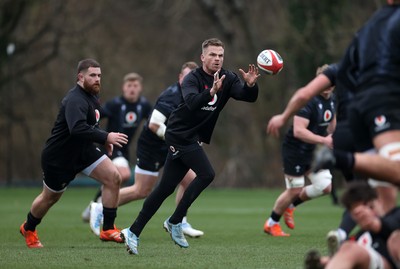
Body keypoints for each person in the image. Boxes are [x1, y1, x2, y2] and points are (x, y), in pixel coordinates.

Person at [119, 37, 260, 255]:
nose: (217, 59)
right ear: (202, 57)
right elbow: (193, 102)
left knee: (165, 188)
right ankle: (175, 221)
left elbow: (246, 97)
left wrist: (251, 85)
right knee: (206, 174)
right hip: (178, 135)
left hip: (192, 138)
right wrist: (211, 92)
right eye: (212, 54)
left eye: (220, 55)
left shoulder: (228, 77)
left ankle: (133, 231)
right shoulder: (192, 79)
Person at [19, 59, 128, 248]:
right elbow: (76, 128)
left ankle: (108, 229)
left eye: (99, 75)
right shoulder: (74, 99)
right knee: (50, 198)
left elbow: (91, 124)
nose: (97, 79)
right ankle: (29, 227)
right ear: (80, 77)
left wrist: (104, 141)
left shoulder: (92, 96)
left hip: (84, 151)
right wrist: (105, 136)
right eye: (92, 75)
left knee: (114, 177)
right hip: (59, 158)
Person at [89, 61, 204, 238]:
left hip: (170, 145)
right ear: (180, 78)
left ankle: (179, 221)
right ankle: (100, 206)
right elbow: (154, 124)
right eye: (187, 77)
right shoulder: (172, 96)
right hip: (152, 146)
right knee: (141, 191)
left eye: (194, 77)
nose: (191, 81)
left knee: (190, 179)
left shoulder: (194, 95)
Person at [263, 64, 336, 237]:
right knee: (295, 190)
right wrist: (324, 140)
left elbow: (332, 122)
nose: (329, 86)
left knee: (326, 186)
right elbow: (298, 130)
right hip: (295, 150)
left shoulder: (333, 98)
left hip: (311, 150)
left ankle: (291, 206)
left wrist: (336, 136)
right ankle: (271, 223)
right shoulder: (308, 101)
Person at [81, 72, 152, 222]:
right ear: (123, 88)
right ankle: (99, 207)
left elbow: (153, 122)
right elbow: (95, 117)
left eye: (135, 86)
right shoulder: (115, 104)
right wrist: (97, 135)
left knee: (112, 180)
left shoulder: (144, 105)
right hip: (110, 147)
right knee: (123, 175)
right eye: (129, 85)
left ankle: (94, 206)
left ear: (140, 88)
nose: (132, 89)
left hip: (124, 150)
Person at [304, 181, 400, 269]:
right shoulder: (360, 237)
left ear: (376, 202)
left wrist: (375, 223)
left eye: (368, 205)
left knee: (395, 238)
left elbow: (390, 226)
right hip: (375, 263)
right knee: (348, 247)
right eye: (355, 212)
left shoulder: (395, 216)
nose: (361, 214)